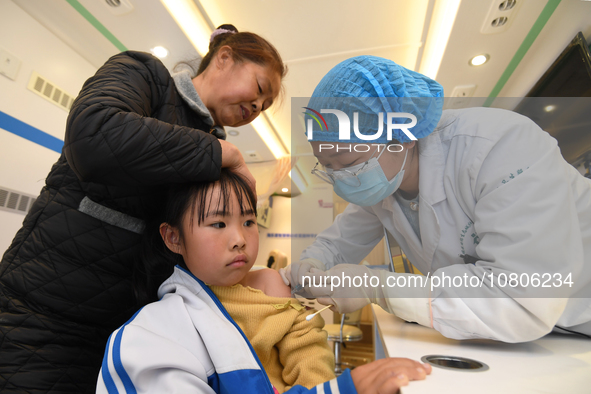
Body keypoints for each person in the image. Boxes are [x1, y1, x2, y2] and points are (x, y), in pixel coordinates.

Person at [0, 24, 286, 393]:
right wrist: (222, 153)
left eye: (264, 107)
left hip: (129, 335)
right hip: (45, 316)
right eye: (260, 90)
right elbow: (93, 135)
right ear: (224, 57)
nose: (257, 108)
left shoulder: (212, 151)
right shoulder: (147, 76)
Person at [281, 55, 591, 343]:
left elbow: (523, 297)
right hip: (541, 335)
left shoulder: (501, 148)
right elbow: (338, 243)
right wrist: (312, 263)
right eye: (329, 169)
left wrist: (378, 287)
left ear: (404, 135)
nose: (341, 182)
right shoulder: (383, 185)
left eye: (348, 165)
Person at [97, 169, 432, 394]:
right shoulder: (153, 334)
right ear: (173, 238)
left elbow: (309, 356)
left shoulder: (269, 287)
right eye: (218, 224)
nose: (240, 239)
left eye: (248, 221)